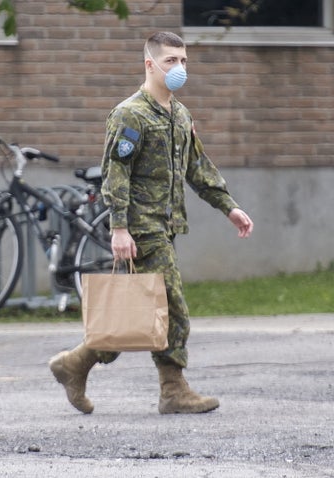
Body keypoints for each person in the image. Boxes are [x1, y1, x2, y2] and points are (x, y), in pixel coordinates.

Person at [49, 31, 254, 415]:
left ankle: (74, 364)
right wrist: (120, 228)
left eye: (184, 61)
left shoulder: (180, 114)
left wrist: (228, 207)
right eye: (170, 61)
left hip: (166, 225)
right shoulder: (130, 114)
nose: (179, 68)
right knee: (172, 306)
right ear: (150, 64)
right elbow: (115, 175)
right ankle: (173, 390)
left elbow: (197, 168)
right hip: (142, 227)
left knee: (139, 312)